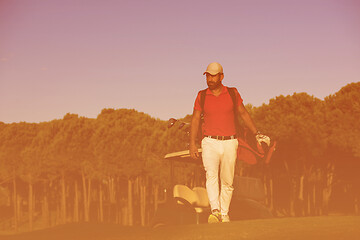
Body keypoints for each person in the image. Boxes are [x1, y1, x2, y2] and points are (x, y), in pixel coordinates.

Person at [189, 62, 269, 223]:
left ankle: (224, 213)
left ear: (221, 76)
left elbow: (243, 114)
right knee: (211, 176)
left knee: (227, 181)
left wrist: (257, 133)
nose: (210, 79)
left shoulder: (232, 93)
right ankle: (216, 211)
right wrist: (192, 143)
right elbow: (196, 119)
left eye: (213, 75)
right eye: (208, 76)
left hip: (230, 142)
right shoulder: (201, 95)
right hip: (209, 142)